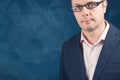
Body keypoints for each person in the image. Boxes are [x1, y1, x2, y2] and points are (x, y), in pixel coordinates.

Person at [60, 0, 120, 80]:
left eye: (91, 5)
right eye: (78, 7)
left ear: (104, 5)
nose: (85, 13)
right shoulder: (67, 48)